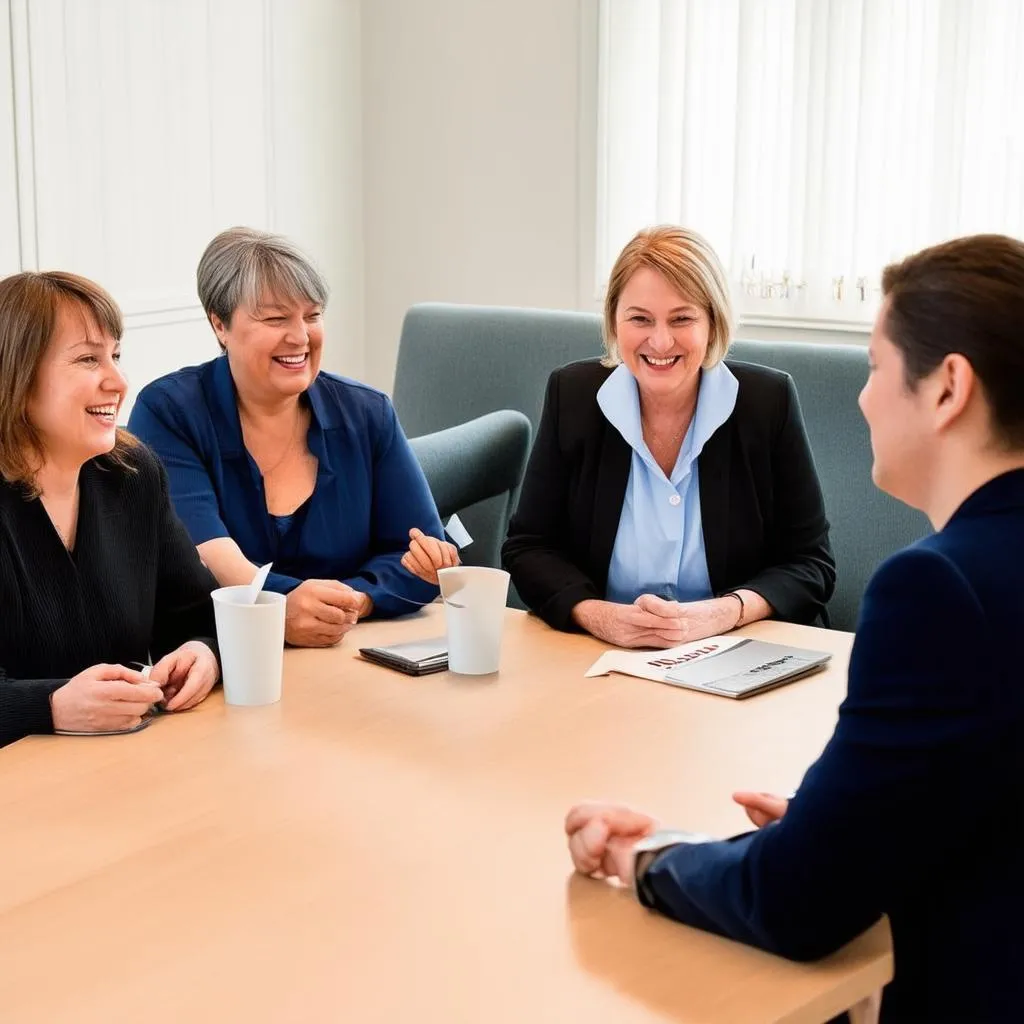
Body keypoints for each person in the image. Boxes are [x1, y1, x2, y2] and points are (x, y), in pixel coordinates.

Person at [564, 234, 1024, 1022]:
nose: (862, 398)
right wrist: (849, 820)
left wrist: (641, 854)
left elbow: (795, 904)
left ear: (948, 388)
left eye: (875, 367)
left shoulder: (935, 589)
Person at [502, 226, 835, 648]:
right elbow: (529, 547)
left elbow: (810, 563)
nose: (660, 341)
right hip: (602, 654)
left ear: (713, 323)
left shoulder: (767, 403)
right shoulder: (573, 396)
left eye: (682, 318)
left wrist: (723, 613)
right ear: (613, 321)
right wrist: (599, 616)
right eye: (640, 318)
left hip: (735, 651)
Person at [128, 227, 456, 648]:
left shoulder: (368, 413)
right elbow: (205, 557)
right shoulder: (168, 412)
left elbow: (421, 557)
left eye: (313, 315)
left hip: (352, 653)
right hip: (223, 660)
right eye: (276, 318)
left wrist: (350, 603)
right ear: (219, 324)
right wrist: (282, 608)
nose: (300, 336)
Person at [0, 272, 221, 748]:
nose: (118, 381)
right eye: (87, 359)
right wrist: (51, 705)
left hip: (121, 767)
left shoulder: (131, 474)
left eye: (115, 356)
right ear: (16, 376)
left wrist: (202, 654)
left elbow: (200, 614)